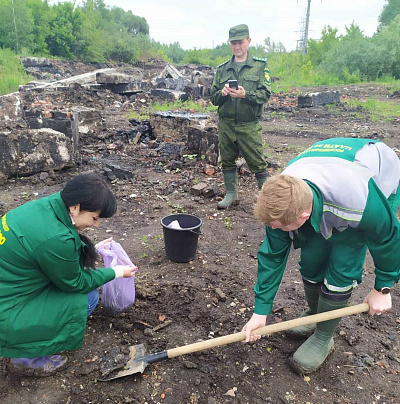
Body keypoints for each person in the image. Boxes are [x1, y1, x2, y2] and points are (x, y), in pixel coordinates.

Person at [241, 137, 400, 374]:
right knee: (312, 259)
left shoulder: (360, 202)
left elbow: (387, 236)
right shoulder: (282, 201)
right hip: (326, 170)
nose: (275, 230)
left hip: (376, 173)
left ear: (303, 216)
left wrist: (383, 288)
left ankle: (324, 337)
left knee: (342, 264)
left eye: (281, 227)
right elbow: (273, 256)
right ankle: (317, 315)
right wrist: (260, 311)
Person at [0, 172, 137, 376]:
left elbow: (45, 253)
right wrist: (115, 272)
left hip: (11, 284)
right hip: (9, 308)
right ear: (75, 207)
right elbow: (76, 283)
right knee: (87, 298)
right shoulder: (56, 238)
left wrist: (94, 249)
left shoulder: (47, 206)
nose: (96, 224)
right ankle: (25, 358)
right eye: (95, 217)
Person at [210, 24, 272, 209]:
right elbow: (213, 98)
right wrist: (222, 93)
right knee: (227, 159)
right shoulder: (222, 69)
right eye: (234, 43)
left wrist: (247, 95)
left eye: (241, 42)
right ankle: (231, 194)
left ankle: (268, 201)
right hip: (226, 124)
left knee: (258, 163)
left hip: (248, 124)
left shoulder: (259, 66)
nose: (237, 47)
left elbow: (265, 95)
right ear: (230, 44)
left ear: (249, 41)